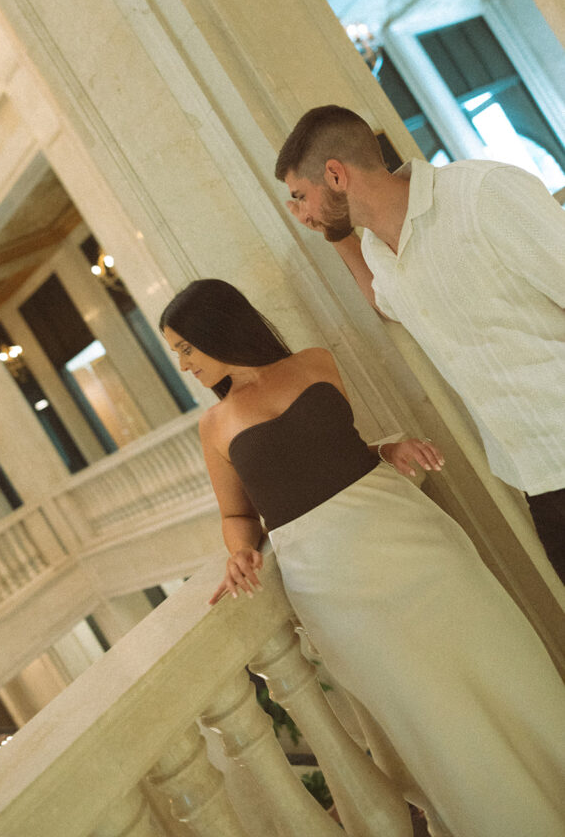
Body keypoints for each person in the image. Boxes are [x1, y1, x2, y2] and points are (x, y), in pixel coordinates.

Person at [160, 279, 565, 837]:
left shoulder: (316, 362)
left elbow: (339, 449)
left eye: (185, 347)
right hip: (334, 589)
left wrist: (388, 450)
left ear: (216, 329)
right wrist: (239, 554)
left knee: (503, 665)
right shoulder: (214, 426)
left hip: (415, 545)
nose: (183, 364)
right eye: (175, 353)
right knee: (426, 716)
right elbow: (237, 516)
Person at [275, 104, 565, 582]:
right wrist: (333, 231)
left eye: (300, 195)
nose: (299, 212)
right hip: (536, 477)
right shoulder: (373, 249)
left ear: (334, 175)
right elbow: (387, 300)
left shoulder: (483, 191)